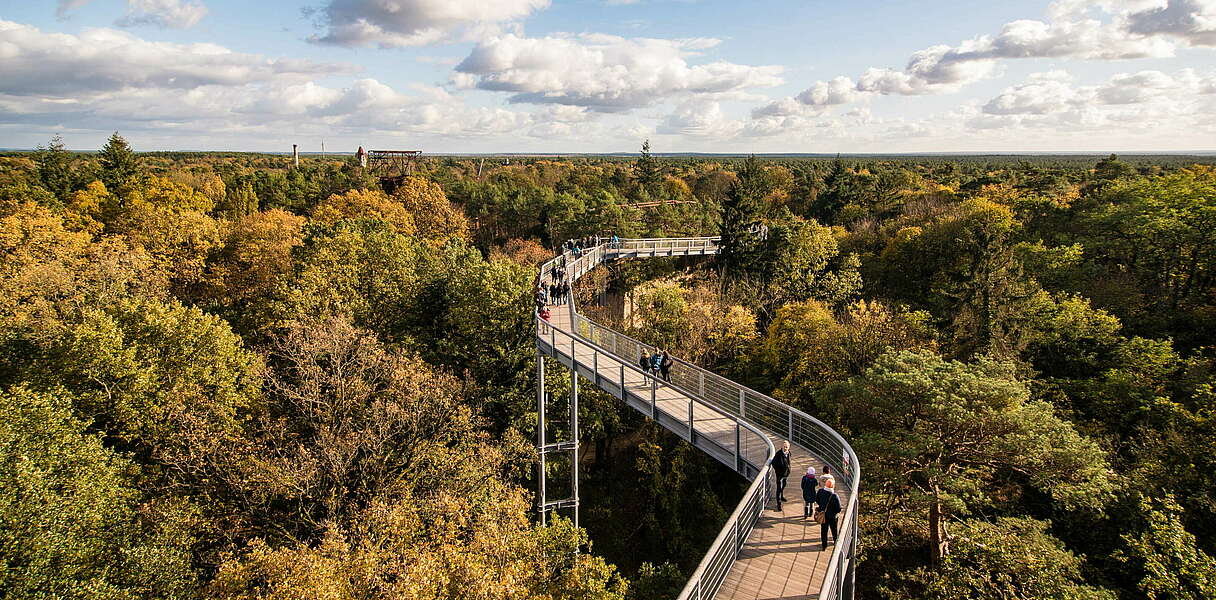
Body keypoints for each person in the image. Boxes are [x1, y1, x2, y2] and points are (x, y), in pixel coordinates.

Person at [815, 479, 841, 548]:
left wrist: (822, 506)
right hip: (832, 516)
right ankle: (836, 541)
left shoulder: (820, 491)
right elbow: (838, 509)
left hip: (823, 514)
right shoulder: (834, 496)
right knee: (834, 529)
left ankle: (824, 545)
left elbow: (817, 500)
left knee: (824, 530)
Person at [772, 440, 791, 510]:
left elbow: (788, 462)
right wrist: (778, 471)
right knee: (779, 489)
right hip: (780, 475)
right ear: (781, 447)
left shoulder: (789, 453)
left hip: (786, 474)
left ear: (789, 447)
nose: (785, 448)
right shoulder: (778, 454)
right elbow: (773, 463)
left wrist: (789, 470)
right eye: (784, 447)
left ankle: (782, 496)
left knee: (784, 485)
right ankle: (778, 504)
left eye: (786, 447)